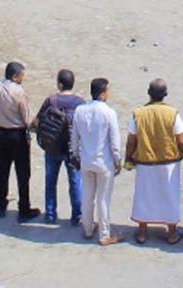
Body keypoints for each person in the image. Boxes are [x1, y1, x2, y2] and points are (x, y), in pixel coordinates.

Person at [125, 79, 183, 245]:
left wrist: (128, 158)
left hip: (145, 161)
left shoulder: (139, 114)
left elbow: (131, 141)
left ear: (148, 93)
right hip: (169, 163)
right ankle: (171, 234)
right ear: (165, 94)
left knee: (144, 195)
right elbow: (182, 140)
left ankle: (142, 233)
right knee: (169, 196)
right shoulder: (172, 114)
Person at [0, 61, 38, 221]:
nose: (23, 78)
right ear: (15, 76)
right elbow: (27, 119)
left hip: (1, 133)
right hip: (18, 135)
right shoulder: (19, 92)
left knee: (2, 170)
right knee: (23, 173)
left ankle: (1, 205)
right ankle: (24, 209)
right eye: (21, 75)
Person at [72, 77, 123, 245]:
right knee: (103, 199)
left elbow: (74, 137)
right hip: (104, 163)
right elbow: (115, 142)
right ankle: (104, 234)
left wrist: (75, 155)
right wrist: (118, 161)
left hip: (86, 160)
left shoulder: (80, 110)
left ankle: (88, 229)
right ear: (102, 94)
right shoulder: (109, 113)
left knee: (87, 196)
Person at [35, 69, 85, 226]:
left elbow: (37, 122)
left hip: (52, 148)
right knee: (75, 182)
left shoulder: (51, 101)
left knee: (51, 182)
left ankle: (50, 214)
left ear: (60, 84)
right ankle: (77, 216)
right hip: (72, 149)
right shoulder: (80, 103)